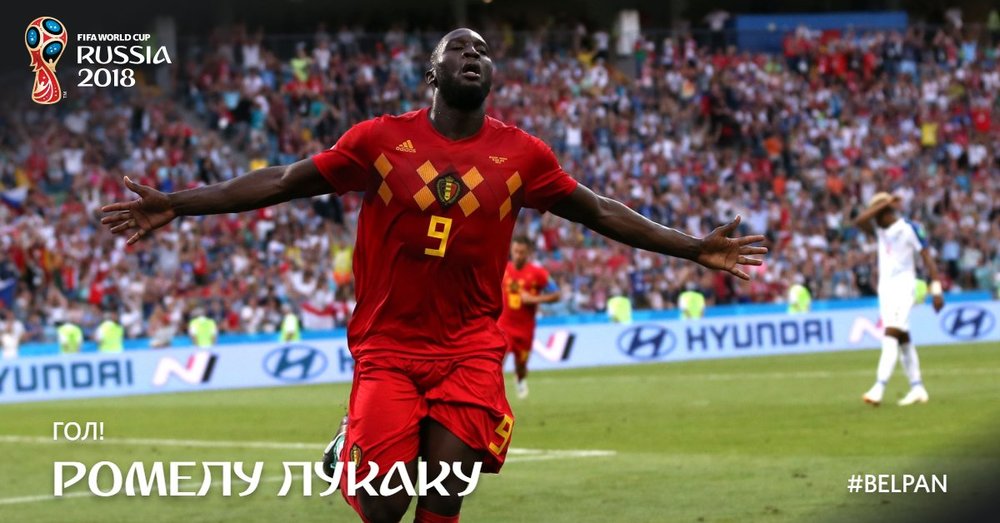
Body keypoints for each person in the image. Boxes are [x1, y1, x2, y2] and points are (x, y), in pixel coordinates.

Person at [101, 28, 767, 523]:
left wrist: (692, 248)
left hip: (470, 343)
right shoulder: (378, 141)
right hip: (388, 343)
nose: (473, 55)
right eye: (459, 48)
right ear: (433, 71)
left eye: (482, 51)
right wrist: (178, 203)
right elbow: (281, 180)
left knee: (448, 488)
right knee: (385, 506)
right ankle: (354, 442)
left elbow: (599, 210)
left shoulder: (522, 155)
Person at [853, 192, 944, 407]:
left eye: (877, 214)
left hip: (904, 287)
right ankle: (917, 387)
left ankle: (879, 387)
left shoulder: (909, 228)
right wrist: (884, 204)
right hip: (886, 290)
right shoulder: (880, 230)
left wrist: (937, 290)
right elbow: (859, 221)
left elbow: (927, 258)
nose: (873, 220)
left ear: (885, 213)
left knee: (891, 334)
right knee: (903, 339)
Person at [497, 236, 560, 399]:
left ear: (529, 253)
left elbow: (557, 294)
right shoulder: (502, 268)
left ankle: (520, 379)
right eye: (515, 251)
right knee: (498, 361)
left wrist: (535, 299)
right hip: (504, 325)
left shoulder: (538, 273)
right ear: (511, 250)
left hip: (525, 329)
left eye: (522, 252)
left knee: (521, 366)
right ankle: (494, 394)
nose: (518, 255)